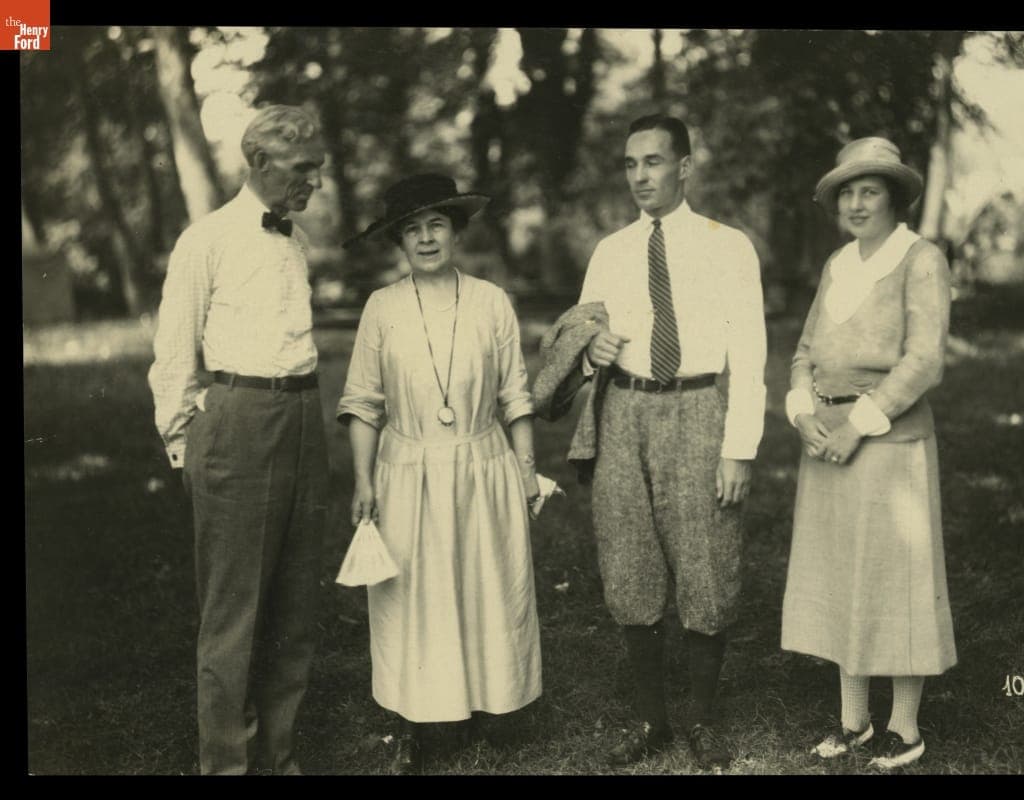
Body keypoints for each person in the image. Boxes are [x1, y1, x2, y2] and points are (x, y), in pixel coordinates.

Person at [569, 113, 767, 771]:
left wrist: (738, 447)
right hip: (625, 410)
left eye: (652, 161)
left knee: (707, 558)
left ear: (685, 164)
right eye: (630, 165)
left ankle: (703, 719)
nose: (640, 177)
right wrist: (591, 348)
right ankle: (653, 720)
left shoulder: (726, 245)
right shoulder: (611, 250)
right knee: (629, 558)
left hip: (699, 406)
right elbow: (583, 337)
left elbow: (752, 353)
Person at [338, 173, 542, 775]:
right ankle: (431, 716)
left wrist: (526, 467)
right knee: (420, 594)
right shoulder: (383, 307)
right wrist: (364, 480)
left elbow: (516, 395)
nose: (426, 239)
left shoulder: (489, 300)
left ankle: (496, 703)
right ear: (399, 242)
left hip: (483, 461)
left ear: (455, 231)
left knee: (487, 581)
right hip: (408, 466)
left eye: (436, 225)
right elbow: (363, 402)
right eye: (412, 229)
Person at [148, 105, 329, 775]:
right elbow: (173, 350)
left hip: (305, 418)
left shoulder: (296, 241)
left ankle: (279, 760)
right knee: (234, 614)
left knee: (296, 609)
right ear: (257, 162)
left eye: (319, 166)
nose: (314, 179)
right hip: (236, 422)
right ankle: (227, 766)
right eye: (302, 167)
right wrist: (186, 441)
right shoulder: (207, 239)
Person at [780, 136, 957, 770]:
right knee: (840, 576)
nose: (856, 203)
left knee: (895, 579)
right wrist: (803, 413)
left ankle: (903, 728)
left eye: (869, 190)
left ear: (895, 197)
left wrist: (858, 423)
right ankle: (854, 721)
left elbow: (924, 360)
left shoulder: (921, 259)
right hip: (825, 443)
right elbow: (804, 351)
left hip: (887, 439)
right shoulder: (836, 265)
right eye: (846, 192)